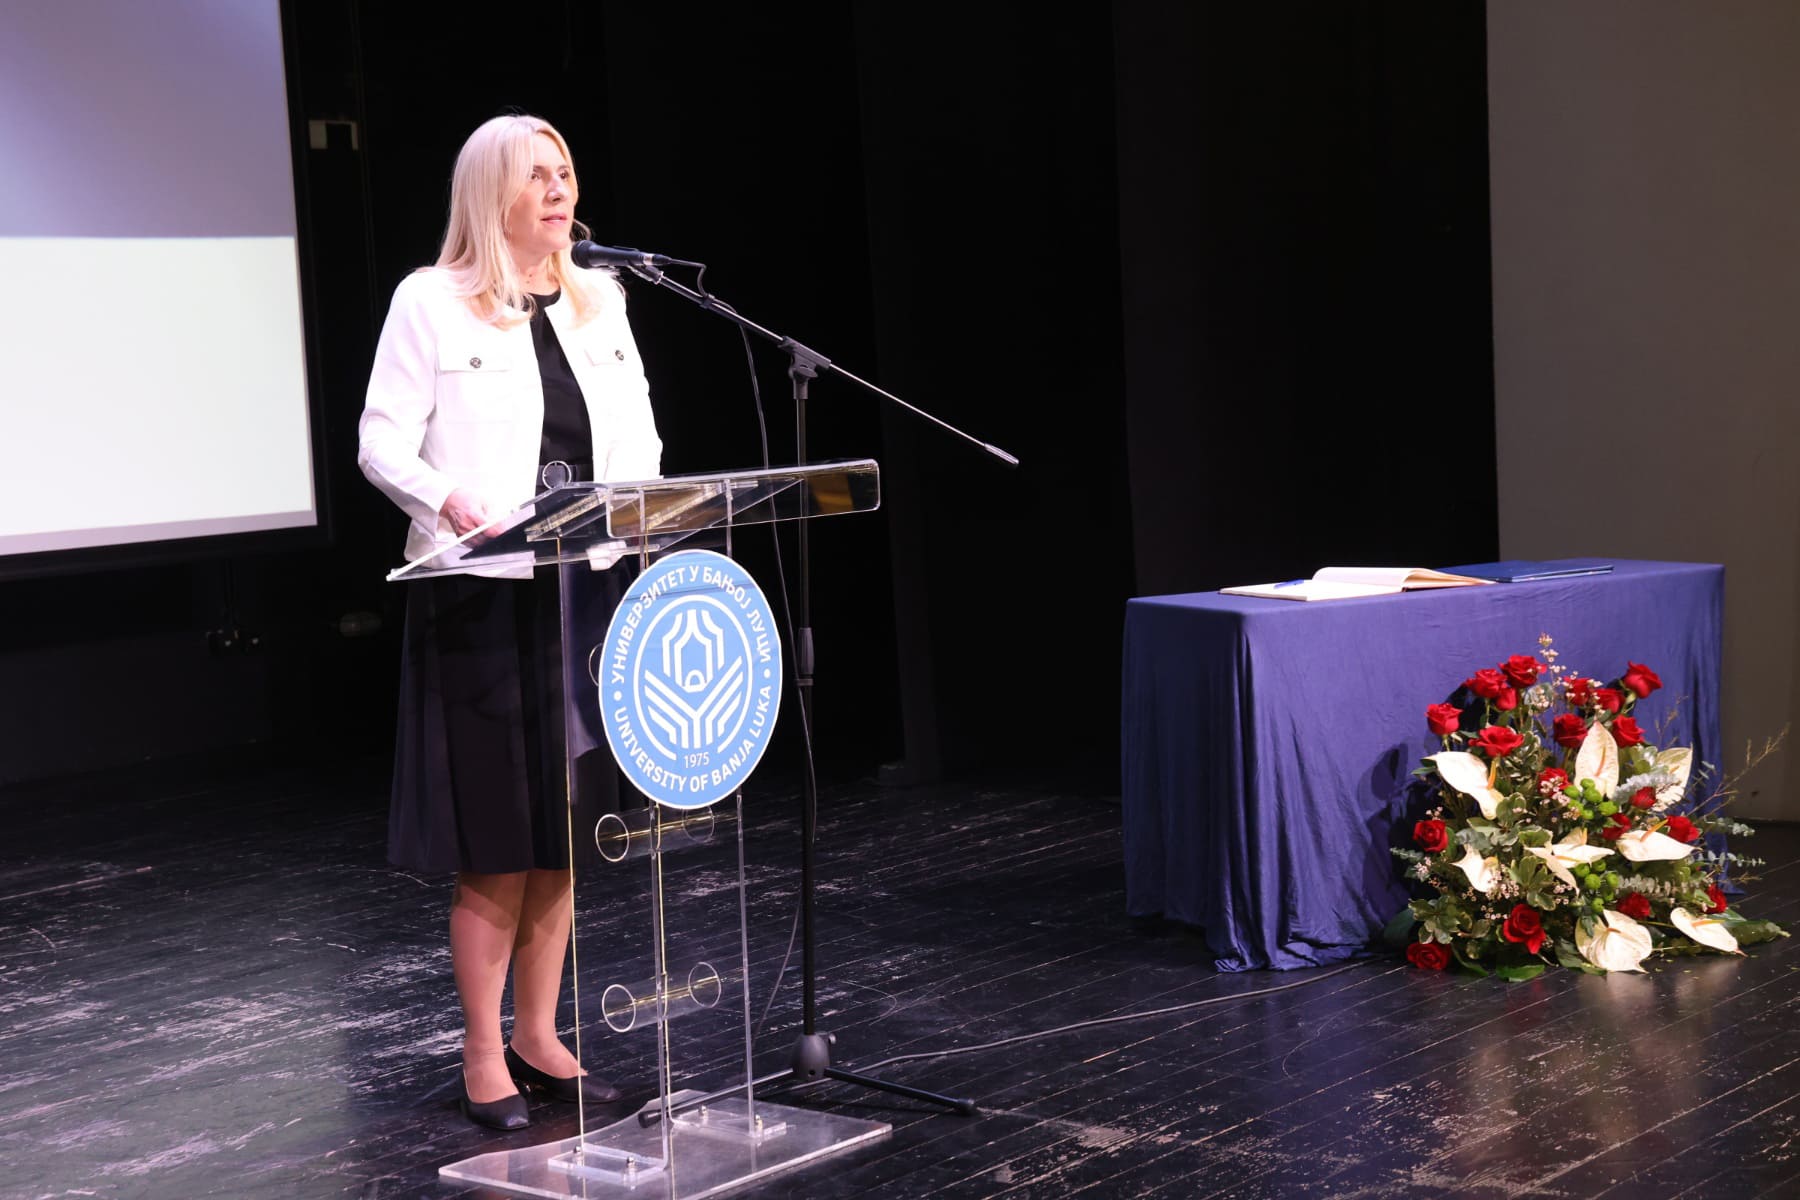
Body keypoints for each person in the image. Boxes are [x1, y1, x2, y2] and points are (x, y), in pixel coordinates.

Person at [357, 114, 661, 1130]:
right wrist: (446, 499)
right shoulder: (431, 302)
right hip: (481, 595)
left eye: (565, 172)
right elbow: (380, 442)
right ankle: (483, 1051)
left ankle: (539, 1034)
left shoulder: (601, 300)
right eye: (537, 176)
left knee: (563, 830)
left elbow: (641, 437)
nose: (559, 190)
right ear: (492, 192)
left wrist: (645, 511)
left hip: (584, 587)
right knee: (496, 839)